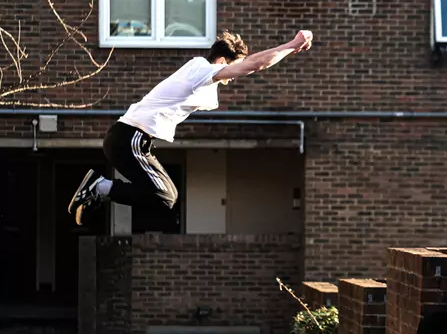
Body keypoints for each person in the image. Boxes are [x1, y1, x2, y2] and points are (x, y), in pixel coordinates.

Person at [67, 29, 313, 225]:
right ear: (221, 61)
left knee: (166, 196)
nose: (231, 79)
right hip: (129, 138)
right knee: (163, 195)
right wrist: (292, 45)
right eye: (231, 69)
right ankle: (98, 187)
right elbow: (254, 65)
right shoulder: (200, 69)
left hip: (129, 140)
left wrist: (281, 50)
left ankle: (100, 188)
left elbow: (251, 62)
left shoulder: (199, 77)